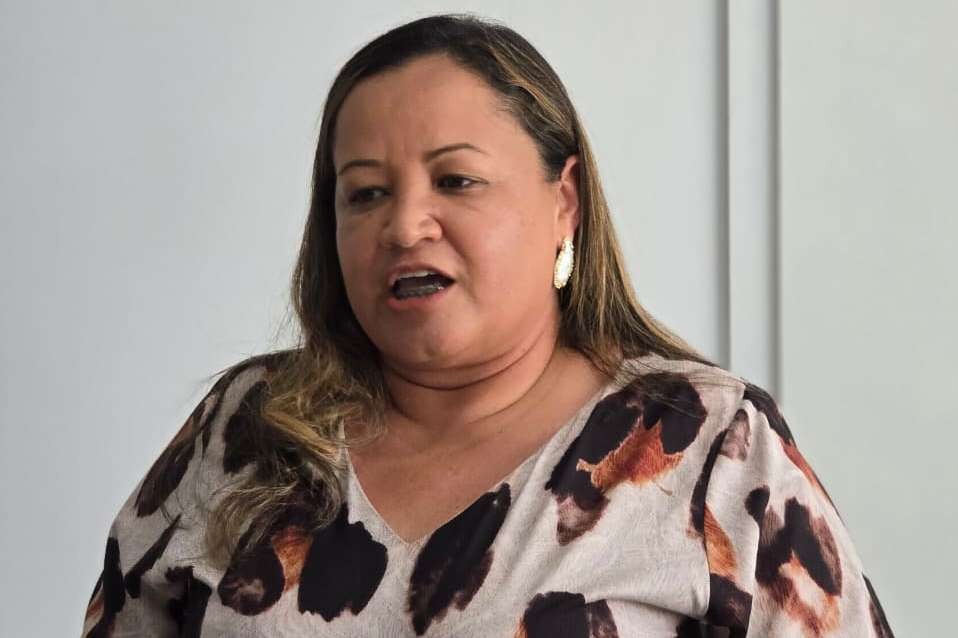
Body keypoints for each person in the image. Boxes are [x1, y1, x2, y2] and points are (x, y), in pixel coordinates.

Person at [81, 12, 894, 638]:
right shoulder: (247, 427)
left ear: (563, 203)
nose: (404, 225)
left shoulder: (707, 445)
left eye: (456, 180)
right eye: (365, 193)